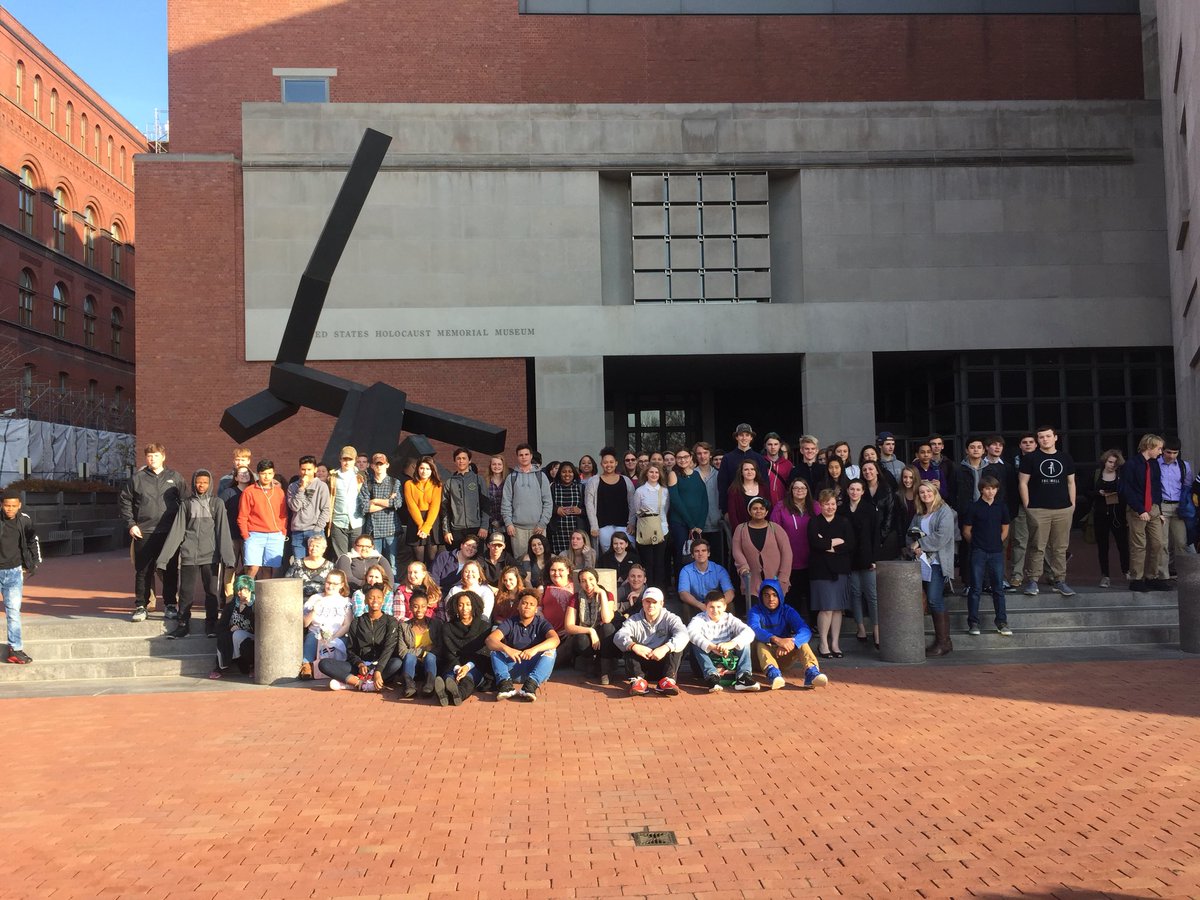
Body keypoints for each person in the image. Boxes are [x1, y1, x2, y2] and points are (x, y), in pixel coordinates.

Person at [157, 469, 236, 639]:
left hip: (211, 555)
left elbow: (223, 531)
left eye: (205, 482)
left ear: (210, 484)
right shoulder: (186, 504)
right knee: (185, 592)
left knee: (211, 592)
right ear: (193, 483)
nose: (201, 485)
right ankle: (183, 624)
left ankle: (212, 624)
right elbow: (177, 532)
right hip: (189, 555)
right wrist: (164, 559)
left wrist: (228, 558)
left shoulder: (217, 504)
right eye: (198, 482)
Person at [119, 442, 184, 623]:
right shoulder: (138, 478)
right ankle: (141, 605)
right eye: (149, 456)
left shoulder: (175, 477)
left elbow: (185, 502)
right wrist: (131, 524)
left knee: (170, 570)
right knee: (143, 570)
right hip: (144, 532)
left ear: (163, 457)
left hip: (169, 533)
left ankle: (170, 604)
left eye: (155, 455)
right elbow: (125, 501)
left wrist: (180, 528)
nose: (152, 458)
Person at [1018, 425, 1077, 597]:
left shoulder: (1065, 457)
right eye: (1041, 437)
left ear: (1055, 438)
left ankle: (1060, 580)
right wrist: (1028, 505)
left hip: (1063, 509)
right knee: (1037, 545)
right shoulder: (1030, 458)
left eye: (1048, 436)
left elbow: (1071, 482)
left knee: (1060, 547)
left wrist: (1072, 504)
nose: (1045, 439)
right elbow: (1023, 483)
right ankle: (1033, 581)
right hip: (1038, 509)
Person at [321, 585, 404, 692]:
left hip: (382, 665)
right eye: (371, 597)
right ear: (365, 601)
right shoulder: (357, 622)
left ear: (383, 600)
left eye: (379, 597)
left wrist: (378, 670)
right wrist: (359, 663)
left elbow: (389, 648)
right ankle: (360, 683)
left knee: (397, 663)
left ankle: (354, 682)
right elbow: (351, 650)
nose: (375, 600)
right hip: (361, 666)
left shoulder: (391, 621)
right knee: (324, 664)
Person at [747, 579, 827, 690]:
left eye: (774, 595)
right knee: (761, 642)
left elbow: (804, 630)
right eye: (766, 595)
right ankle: (773, 675)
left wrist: (792, 643)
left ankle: (812, 673)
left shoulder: (787, 610)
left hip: (783, 654)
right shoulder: (755, 611)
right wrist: (776, 640)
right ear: (761, 597)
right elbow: (753, 629)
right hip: (758, 659)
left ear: (780, 596)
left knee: (801, 642)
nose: (771, 599)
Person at [487, 589, 561, 701]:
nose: (527, 606)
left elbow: (555, 640)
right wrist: (508, 649)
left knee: (551, 650)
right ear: (518, 606)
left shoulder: (541, 623)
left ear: (536, 610)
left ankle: (530, 687)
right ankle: (505, 686)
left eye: (531, 604)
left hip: (535, 669)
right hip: (513, 667)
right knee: (495, 650)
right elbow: (490, 640)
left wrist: (534, 649)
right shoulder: (510, 622)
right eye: (524, 603)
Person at [613, 587, 688, 696]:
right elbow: (619, 636)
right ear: (643, 603)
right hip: (642, 666)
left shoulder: (671, 618)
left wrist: (666, 647)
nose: (651, 605)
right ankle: (638, 681)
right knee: (628, 643)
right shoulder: (634, 620)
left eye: (655, 602)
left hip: (664, 665)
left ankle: (668, 681)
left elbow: (684, 634)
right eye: (648, 601)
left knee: (677, 643)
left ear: (661, 604)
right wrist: (634, 646)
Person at [910, 480, 957, 657]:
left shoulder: (944, 511)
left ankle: (943, 642)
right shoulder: (919, 513)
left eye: (928, 492)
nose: (925, 495)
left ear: (935, 492)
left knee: (934, 599)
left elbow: (942, 536)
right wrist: (913, 545)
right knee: (930, 600)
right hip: (921, 562)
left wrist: (920, 543)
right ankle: (945, 642)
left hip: (937, 562)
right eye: (921, 493)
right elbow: (911, 532)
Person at [961, 475, 1012, 637]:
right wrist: (977, 544)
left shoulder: (1001, 507)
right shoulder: (974, 507)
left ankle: (1002, 622)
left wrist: (997, 542)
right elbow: (966, 531)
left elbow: (1005, 529)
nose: (991, 492)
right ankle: (973, 622)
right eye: (987, 488)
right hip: (979, 551)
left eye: (994, 488)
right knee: (975, 588)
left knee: (998, 588)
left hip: (996, 551)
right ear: (982, 489)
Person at [1120, 433, 1169, 593]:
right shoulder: (1131, 464)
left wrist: (1159, 510)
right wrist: (1140, 509)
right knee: (1138, 545)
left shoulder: (1154, 464)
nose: (1161, 452)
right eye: (1159, 448)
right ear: (1149, 447)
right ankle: (1137, 579)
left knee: (1158, 543)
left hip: (1154, 508)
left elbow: (1156, 487)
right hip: (1137, 509)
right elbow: (1126, 489)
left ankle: (1152, 576)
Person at [808, 488, 854, 659]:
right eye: (827, 504)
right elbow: (815, 543)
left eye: (833, 504)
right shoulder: (814, 522)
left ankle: (835, 643)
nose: (830, 507)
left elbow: (850, 544)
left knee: (837, 609)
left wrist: (827, 544)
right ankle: (823, 644)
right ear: (820, 505)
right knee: (826, 608)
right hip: (821, 570)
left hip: (841, 569)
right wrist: (835, 542)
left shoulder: (844, 521)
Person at [687, 589, 759, 692]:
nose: (715, 610)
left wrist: (730, 644)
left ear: (725, 607)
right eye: (711, 607)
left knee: (744, 641)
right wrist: (713, 647)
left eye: (718, 607)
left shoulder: (730, 619)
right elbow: (690, 632)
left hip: (726, 657)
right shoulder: (699, 619)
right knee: (695, 643)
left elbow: (749, 632)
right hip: (706, 661)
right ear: (705, 607)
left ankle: (743, 677)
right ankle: (711, 677)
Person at [0, 488, 39, 664]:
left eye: (14, 506)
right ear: (1, 505)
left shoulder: (25, 521)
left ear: (19, 505)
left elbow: (32, 540)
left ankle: (15, 649)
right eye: (7, 505)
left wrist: (34, 562)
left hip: (14, 572)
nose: (10, 509)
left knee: (13, 612)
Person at [432, 590, 490, 706]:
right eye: (460, 605)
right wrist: (458, 668)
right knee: (450, 678)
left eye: (468, 604)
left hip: (475, 666)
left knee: (468, 679)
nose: (464, 608)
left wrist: (467, 667)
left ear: (474, 606)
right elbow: (448, 652)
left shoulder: (484, 627)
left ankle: (457, 694)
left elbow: (483, 652)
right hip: (454, 665)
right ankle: (445, 693)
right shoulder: (447, 627)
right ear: (455, 607)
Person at [563, 567, 619, 684]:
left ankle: (606, 669)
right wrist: (590, 631)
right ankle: (590, 663)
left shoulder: (607, 595)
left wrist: (602, 594)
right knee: (580, 638)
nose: (588, 584)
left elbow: (607, 618)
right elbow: (569, 626)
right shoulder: (576, 598)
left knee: (607, 627)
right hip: (588, 636)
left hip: (603, 636)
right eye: (583, 581)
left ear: (596, 580)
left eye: (591, 579)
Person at [731, 496, 792, 605]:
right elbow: (737, 550)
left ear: (766, 511)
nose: (758, 511)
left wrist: (783, 577)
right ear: (749, 511)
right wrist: (744, 567)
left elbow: (787, 553)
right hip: (753, 581)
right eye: (755, 508)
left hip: (775, 580)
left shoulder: (776, 528)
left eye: (762, 508)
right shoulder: (740, 529)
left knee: (775, 614)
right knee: (756, 615)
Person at [237, 458, 289, 582]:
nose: (267, 476)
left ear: (273, 473)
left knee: (269, 569)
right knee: (252, 568)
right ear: (258, 474)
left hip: (275, 535)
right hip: (254, 535)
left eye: (270, 473)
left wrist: (283, 532)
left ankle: (264, 599)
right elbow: (242, 516)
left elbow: (283, 514)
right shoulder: (249, 491)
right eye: (263, 473)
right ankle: (245, 598)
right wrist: (246, 535)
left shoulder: (279, 492)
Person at [843, 479, 879, 648]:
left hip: (867, 557)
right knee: (855, 594)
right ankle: (861, 628)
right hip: (849, 558)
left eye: (858, 489)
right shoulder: (842, 509)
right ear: (848, 490)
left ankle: (877, 631)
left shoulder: (870, 509)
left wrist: (874, 558)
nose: (855, 492)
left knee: (872, 596)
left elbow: (875, 535)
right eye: (852, 489)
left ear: (863, 491)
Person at [501, 444, 553, 558]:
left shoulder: (541, 476)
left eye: (526, 454)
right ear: (517, 457)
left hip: (538, 527)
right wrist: (508, 523)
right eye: (521, 455)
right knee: (520, 562)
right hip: (517, 529)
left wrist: (543, 523)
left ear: (531, 456)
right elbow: (506, 502)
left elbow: (548, 502)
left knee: (540, 560)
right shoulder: (511, 477)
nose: (523, 457)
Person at [769, 479, 812, 617]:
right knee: (792, 595)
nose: (799, 490)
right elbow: (773, 530)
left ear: (807, 490)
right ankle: (792, 623)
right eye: (796, 488)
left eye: (803, 488)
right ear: (791, 491)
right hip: (789, 559)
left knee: (811, 593)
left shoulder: (815, 506)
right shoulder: (781, 507)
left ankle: (812, 624)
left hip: (811, 558)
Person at [300, 569, 353, 679]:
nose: (330, 586)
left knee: (343, 643)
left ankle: (338, 669)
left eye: (335, 583)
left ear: (342, 585)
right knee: (311, 639)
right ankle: (307, 666)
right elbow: (305, 623)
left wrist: (333, 637)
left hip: (337, 634)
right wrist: (313, 611)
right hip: (316, 633)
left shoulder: (346, 601)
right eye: (328, 582)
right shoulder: (315, 598)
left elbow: (347, 625)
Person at [585, 448, 636, 554]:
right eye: (605, 462)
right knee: (608, 555)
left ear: (616, 463)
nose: (608, 465)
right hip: (603, 527)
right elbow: (589, 504)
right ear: (601, 464)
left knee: (628, 553)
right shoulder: (594, 481)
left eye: (611, 462)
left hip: (624, 526)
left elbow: (632, 503)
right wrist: (594, 525)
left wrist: (632, 523)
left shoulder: (626, 480)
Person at [357, 452, 402, 572]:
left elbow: (397, 503)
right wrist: (387, 502)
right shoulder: (367, 484)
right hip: (373, 531)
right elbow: (365, 508)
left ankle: (392, 589)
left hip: (391, 530)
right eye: (376, 464)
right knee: (374, 564)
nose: (379, 467)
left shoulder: (395, 482)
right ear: (372, 466)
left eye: (381, 464)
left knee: (392, 565)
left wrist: (375, 501)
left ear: (387, 465)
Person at [1156, 438, 1194, 581]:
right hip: (1162, 505)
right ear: (1163, 451)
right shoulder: (1156, 464)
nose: (1172, 456)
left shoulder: (1184, 466)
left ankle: (1183, 575)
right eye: (1169, 452)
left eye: (1175, 453)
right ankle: (1163, 576)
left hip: (1179, 506)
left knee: (1180, 542)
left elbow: (1187, 486)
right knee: (1162, 543)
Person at [666, 446, 708, 571]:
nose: (682, 460)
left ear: (690, 458)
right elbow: (676, 501)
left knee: (698, 556)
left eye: (685, 457)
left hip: (697, 525)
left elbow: (704, 500)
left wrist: (700, 524)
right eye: (679, 457)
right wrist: (690, 524)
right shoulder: (673, 474)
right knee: (682, 556)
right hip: (680, 523)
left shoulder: (697, 474)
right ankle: (682, 587)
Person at [440, 447, 490, 551]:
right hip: (456, 529)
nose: (461, 461)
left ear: (469, 461)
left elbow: (486, 505)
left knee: (476, 561)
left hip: (476, 528)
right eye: (458, 458)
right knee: (456, 560)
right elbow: (444, 509)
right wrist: (446, 531)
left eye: (464, 458)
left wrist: (484, 526)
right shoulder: (449, 482)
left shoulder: (478, 479)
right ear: (455, 461)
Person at [1092, 449, 1129, 588]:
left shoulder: (1121, 476)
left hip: (1117, 514)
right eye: (1110, 462)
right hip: (1100, 514)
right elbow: (1086, 491)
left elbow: (1126, 492)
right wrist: (1098, 493)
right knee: (1103, 546)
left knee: (1123, 544)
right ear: (1105, 461)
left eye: (1115, 463)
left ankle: (1126, 570)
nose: (1112, 465)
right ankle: (1105, 575)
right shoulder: (1096, 474)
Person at [286, 454, 331, 567]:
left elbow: (326, 509)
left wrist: (318, 529)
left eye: (309, 470)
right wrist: (301, 489)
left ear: (315, 469)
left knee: (316, 564)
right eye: (303, 469)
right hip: (298, 531)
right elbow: (295, 507)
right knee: (299, 565)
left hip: (314, 530)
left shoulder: (321, 486)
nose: (306, 473)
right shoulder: (293, 487)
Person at [716, 423, 768, 516]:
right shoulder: (727, 458)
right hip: (735, 506)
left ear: (751, 437)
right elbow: (722, 485)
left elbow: (765, 483)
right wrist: (725, 510)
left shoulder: (759, 458)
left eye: (747, 435)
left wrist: (766, 506)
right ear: (736, 437)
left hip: (757, 507)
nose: (744, 438)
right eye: (741, 435)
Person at [676, 538, 735, 620]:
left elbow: (730, 592)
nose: (700, 553)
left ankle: (729, 631)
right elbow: (683, 594)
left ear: (708, 553)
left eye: (703, 550)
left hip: (715, 605)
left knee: (730, 605)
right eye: (697, 551)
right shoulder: (686, 571)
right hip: (697, 605)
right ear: (692, 555)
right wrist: (700, 605)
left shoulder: (719, 569)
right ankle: (689, 632)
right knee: (685, 606)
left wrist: (717, 605)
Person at [633, 463, 670, 588]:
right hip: (645, 529)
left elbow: (666, 510)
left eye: (656, 472)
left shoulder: (664, 491)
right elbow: (636, 511)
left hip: (662, 529)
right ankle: (647, 589)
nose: (654, 475)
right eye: (651, 472)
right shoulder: (640, 491)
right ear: (646, 474)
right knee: (647, 562)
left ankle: (660, 590)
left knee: (660, 562)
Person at [211, 574, 255, 679]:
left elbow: (259, 625)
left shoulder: (255, 604)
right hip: (234, 636)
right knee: (225, 636)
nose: (240, 593)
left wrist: (247, 609)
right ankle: (220, 667)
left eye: (243, 589)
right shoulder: (232, 605)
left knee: (239, 635)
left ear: (250, 589)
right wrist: (230, 628)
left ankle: (252, 666)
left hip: (252, 636)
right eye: (238, 590)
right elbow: (220, 626)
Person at [327, 445, 366, 560]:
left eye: (350, 459)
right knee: (342, 558)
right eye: (345, 459)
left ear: (355, 460)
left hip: (357, 521)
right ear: (340, 459)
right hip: (338, 521)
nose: (347, 462)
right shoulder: (333, 477)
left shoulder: (361, 476)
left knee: (357, 556)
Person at [403, 456, 442, 566]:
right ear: (417, 469)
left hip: (432, 522)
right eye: (422, 468)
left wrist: (426, 527)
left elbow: (435, 506)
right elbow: (411, 506)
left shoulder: (437, 485)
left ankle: (430, 582)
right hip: (416, 521)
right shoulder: (409, 484)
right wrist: (421, 526)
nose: (424, 471)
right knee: (418, 559)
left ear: (432, 470)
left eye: (428, 469)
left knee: (431, 558)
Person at [400, 590, 440, 697]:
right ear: (410, 607)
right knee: (409, 656)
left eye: (423, 606)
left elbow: (440, 647)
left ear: (427, 607)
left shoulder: (435, 624)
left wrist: (428, 653)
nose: (419, 610)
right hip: (413, 666)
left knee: (430, 656)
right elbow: (402, 651)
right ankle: (410, 686)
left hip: (431, 664)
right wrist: (423, 651)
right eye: (416, 606)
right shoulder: (404, 627)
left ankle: (429, 686)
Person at [861, 461, 902, 562]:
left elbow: (890, 514)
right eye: (864, 470)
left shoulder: (886, 488)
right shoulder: (860, 489)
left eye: (870, 469)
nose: (867, 472)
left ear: (877, 471)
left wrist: (881, 536)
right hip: (866, 535)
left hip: (885, 536)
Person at [548, 461, 585, 555]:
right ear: (559, 473)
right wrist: (556, 510)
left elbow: (589, 508)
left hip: (576, 529)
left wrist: (580, 511)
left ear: (574, 473)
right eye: (564, 472)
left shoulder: (580, 487)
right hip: (558, 531)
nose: (567, 474)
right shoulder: (553, 487)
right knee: (560, 558)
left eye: (570, 471)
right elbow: (546, 505)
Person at [284, 533, 335, 600]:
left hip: (320, 601)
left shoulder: (330, 566)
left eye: (317, 546)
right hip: (297, 600)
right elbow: (286, 581)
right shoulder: (297, 563)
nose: (314, 548)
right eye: (311, 546)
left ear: (323, 549)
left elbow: (333, 586)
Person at [539, 556, 575, 641]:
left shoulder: (575, 588)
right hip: (548, 636)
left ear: (568, 571)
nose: (556, 573)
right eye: (553, 570)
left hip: (569, 636)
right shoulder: (543, 589)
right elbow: (538, 611)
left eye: (560, 570)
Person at [726, 459, 769, 531]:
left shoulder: (764, 488)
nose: (749, 472)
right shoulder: (734, 490)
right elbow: (732, 514)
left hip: (762, 528)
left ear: (756, 471)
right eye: (746, 469)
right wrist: (739, 530)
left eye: (752, 469)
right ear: (741, 472)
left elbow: (769, 508)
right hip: (742, 530)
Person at [761, 432, 793, 507]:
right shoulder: (760, 462)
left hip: (784, 503)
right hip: (763, 503)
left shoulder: (788, 464)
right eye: (770, 444)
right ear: (765, 446)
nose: (773, 447)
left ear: (780, 446)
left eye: (776, 444)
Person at [485, 455, 509, 539]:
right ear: (490, 466)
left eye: (499, 464)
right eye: (494, 464)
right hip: (490, 524)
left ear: (503, 466)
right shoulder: (485, 482)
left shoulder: (508, 481)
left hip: (507, 524)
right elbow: (483, 504)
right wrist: (493, 521)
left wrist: (502, 522)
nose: (497, 466)